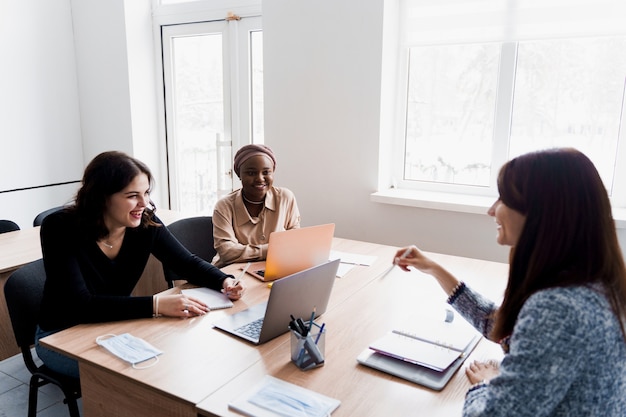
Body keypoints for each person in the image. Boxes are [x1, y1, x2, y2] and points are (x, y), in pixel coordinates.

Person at [393, 148, 626, 416]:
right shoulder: (595, 284)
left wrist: (488, 385)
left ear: (542, 213)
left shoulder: (559, 309)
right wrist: (435, 269)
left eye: (503, 198)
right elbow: (504, 328)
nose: (491, 210)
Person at [36, 151, 244, 378]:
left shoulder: (146, 223)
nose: (144, 203)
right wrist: (156, 305)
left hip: (115, 324)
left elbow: (186, 263)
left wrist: (224, 280)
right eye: (132, 195)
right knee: (135, 377)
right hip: (60, 333)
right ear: (101, 196)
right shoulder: (59, 227)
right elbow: (81, 305)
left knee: (172, 362)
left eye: (146, 193)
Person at [212, 144, 301, 267]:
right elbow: (227, 252)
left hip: (273, 267)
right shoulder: (224, 206)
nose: (260, 179)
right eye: (251, 173)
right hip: (230, 273)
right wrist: (272, 250)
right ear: (239, 174)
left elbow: (295, 240)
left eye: (266, 172)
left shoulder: (285, 198)